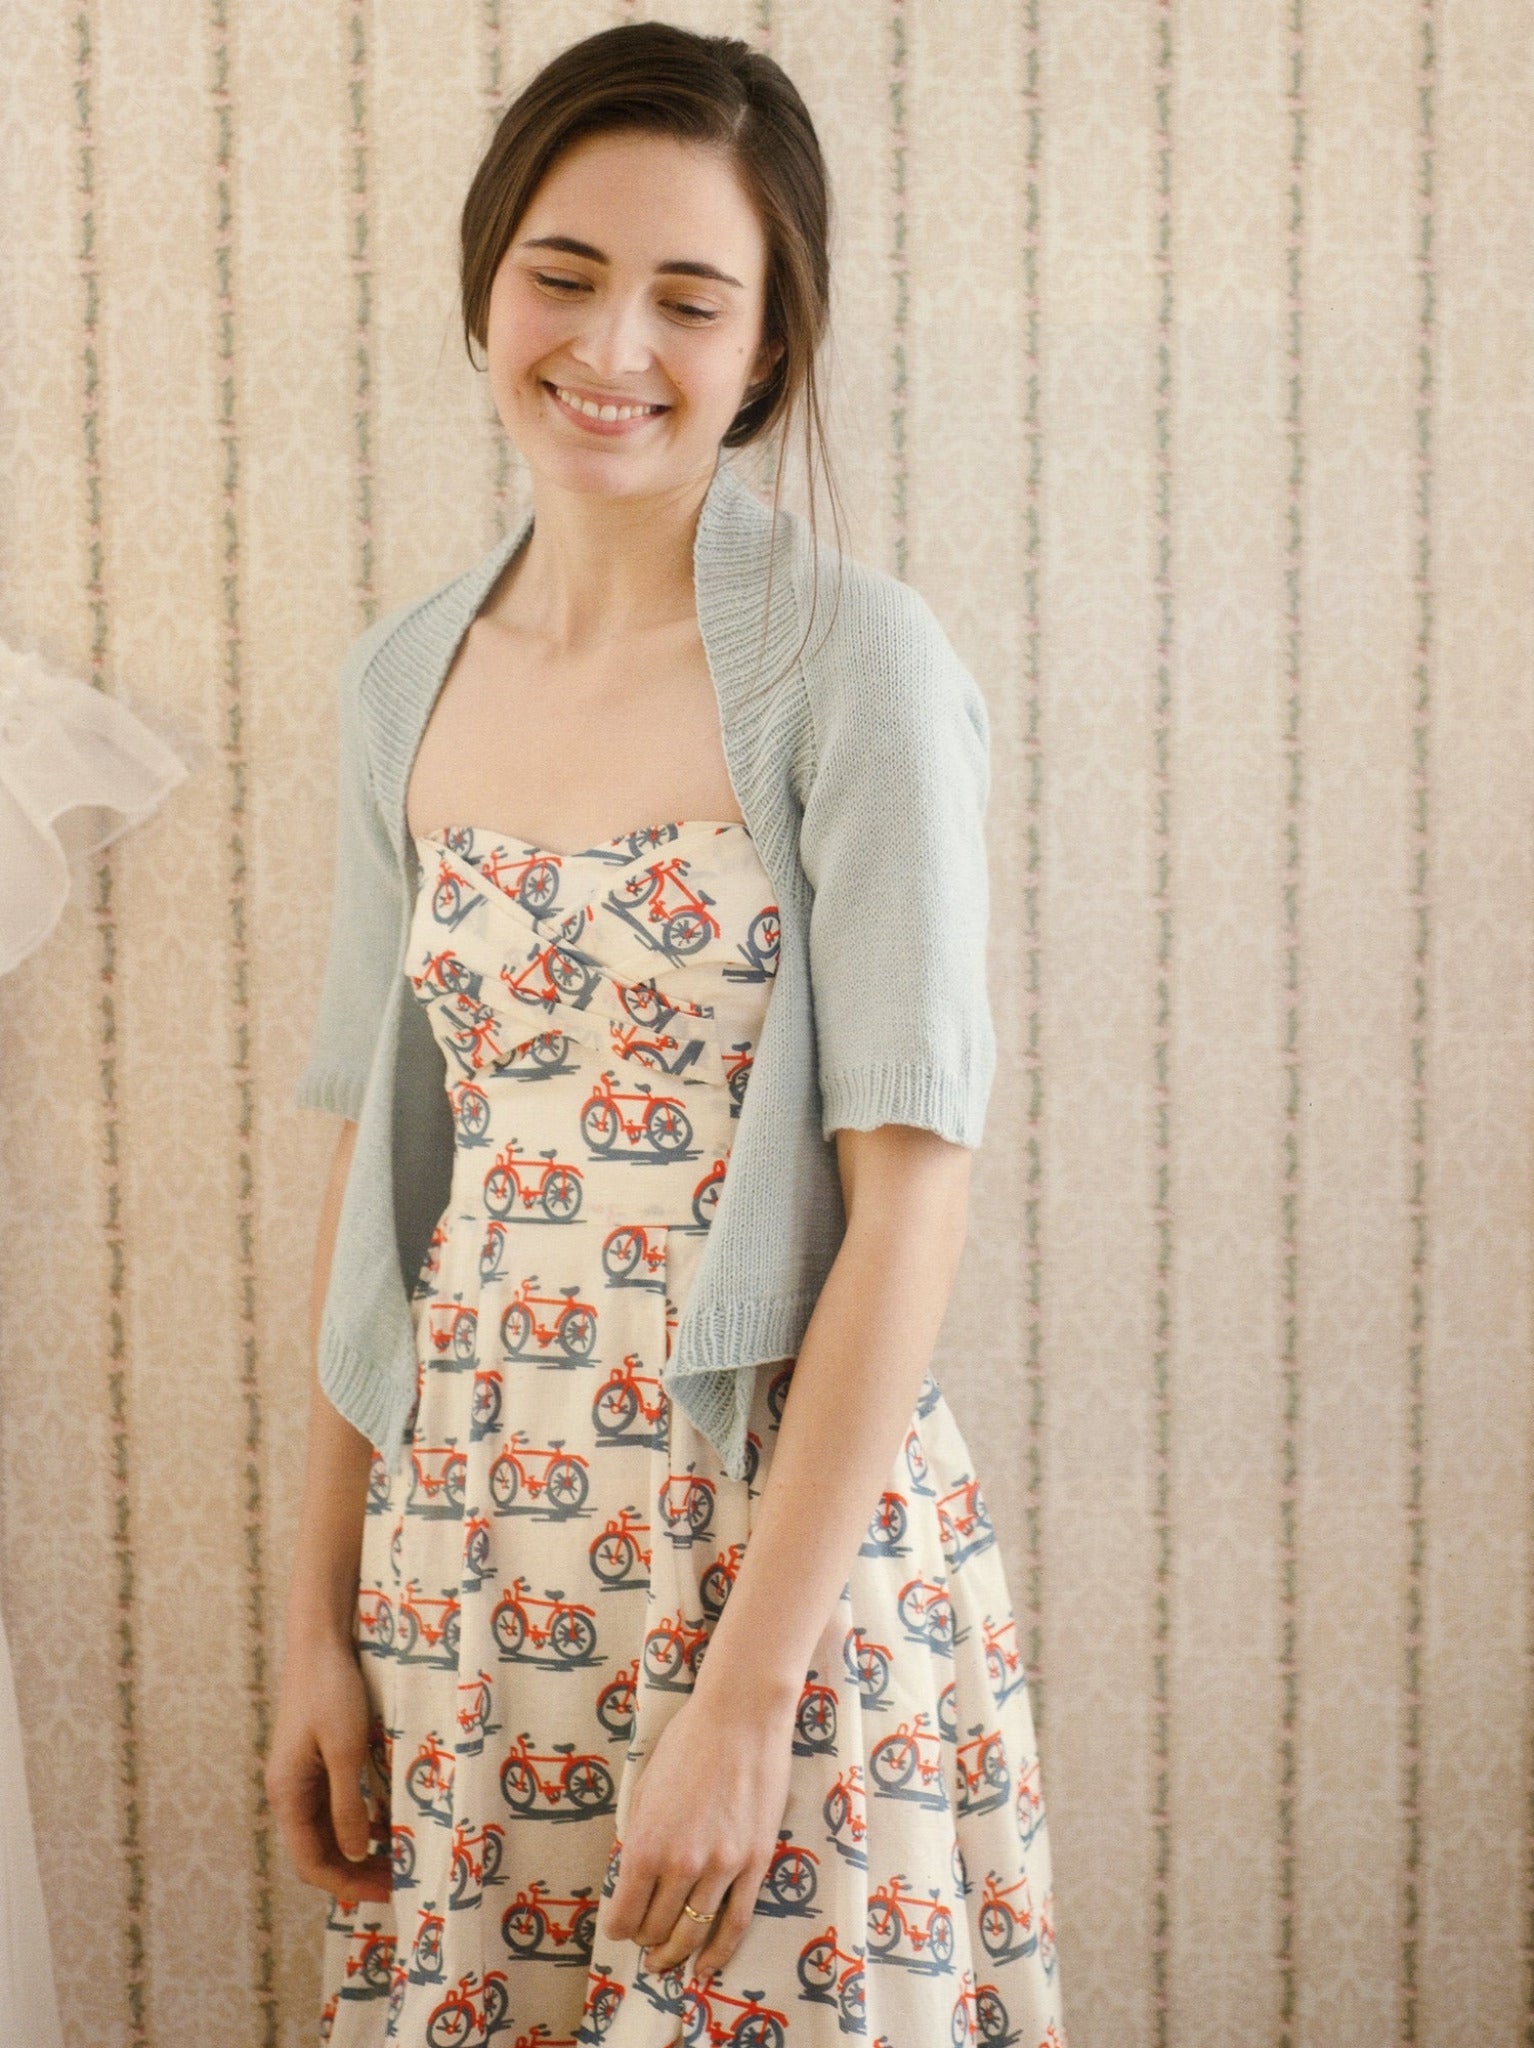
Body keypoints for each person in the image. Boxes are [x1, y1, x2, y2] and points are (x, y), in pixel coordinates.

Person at [267, 23, 1067, 2048]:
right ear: (485, 282)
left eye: (689, 298)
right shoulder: (401, 680)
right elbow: (382, 1171)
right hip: (468, 1547)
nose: (611, 342)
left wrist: (747, 1695)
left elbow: (909, 1205)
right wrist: (313, 1625)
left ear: (764, 347)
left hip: (757, 1551)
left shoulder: (853, 662)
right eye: (562, 270)